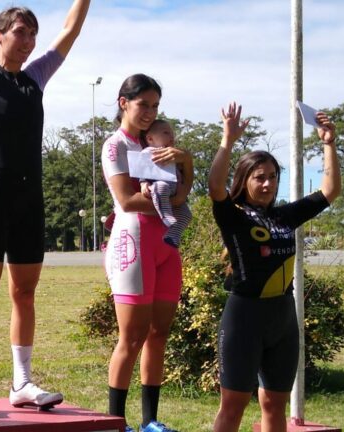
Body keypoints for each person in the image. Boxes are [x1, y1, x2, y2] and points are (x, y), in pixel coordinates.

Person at [0, 0, 91, 416]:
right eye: (19, 32)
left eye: (32, 34)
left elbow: (70, 30)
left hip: (30, 200)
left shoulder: (36, 77)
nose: (28, 40)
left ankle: (22, 383)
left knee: (24, 293)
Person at [208, 103, 341, 432]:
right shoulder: (233, 215)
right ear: (244, 180)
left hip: (282, 318)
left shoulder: (284, 216)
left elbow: (330, 191)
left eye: (272, 177)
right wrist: (227, 141)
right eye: (259, 178)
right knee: (233, 406)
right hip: (244, 318)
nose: (267, 184)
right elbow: (215, 186)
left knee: (274, 405)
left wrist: (329, 144)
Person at [101, 74, 191, 432]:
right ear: (124, 103)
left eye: (155, 106)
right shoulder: (116, 145)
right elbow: (127, 200)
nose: (150, 112)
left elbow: (183, 191)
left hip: (166, 245)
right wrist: (171, 200)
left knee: (159, 334)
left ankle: (150, 421)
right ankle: (116, 423)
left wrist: (186, 161)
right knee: (132, 337)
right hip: (133, 242)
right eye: (143, 105)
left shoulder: (158, 141)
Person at [138, 119, 193, 248]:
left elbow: (184, 172)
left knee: (186, 215)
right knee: (161, 187)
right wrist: (143, 183)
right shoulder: (149, 151)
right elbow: (142, 167)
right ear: (150, 139)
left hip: (176, 191)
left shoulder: (174, 153)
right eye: (166, 133)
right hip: (160, 185)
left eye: (172, 134)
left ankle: (173, 235)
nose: (172, 137)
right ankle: (166, 215)